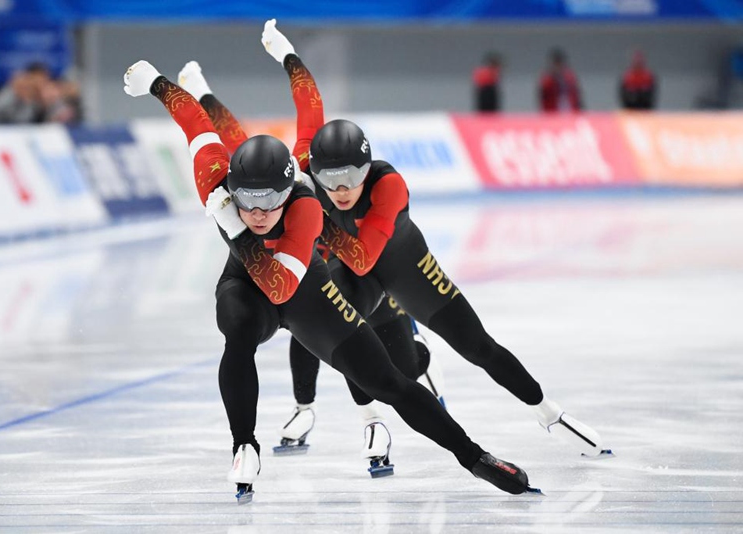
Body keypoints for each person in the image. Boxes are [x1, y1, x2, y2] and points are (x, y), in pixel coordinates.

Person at [122, 58, 538, 502]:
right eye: (248, 201)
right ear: (231, 189)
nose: (259, 213)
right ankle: (244, 444)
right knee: (237, 329)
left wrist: (238, 229)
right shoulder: (213, 179)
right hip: (245, 286)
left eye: (270, 202)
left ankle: (475, 458)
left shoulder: (306, 208)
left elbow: (282, 288)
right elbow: (195, 122)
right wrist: (155, 82)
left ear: (288, 194)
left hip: (301, 288)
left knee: (390, 382)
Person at [258, 21, 608, 459]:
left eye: (352, 178)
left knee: (478, 347)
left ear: (367, 170)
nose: (341, 188)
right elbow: (309, 99)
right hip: (357, 274)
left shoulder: (388, 186)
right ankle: (371, 422)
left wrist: (316, 219)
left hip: (404, 268)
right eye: (330, 179)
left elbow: (366, 257)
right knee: (340, 327)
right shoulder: (309, 165)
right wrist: (288, 55)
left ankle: (547, 411)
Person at [176, 57, 446, 476]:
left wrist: (288, 57)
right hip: (308, 276)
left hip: (356, 273)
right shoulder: (263, 187)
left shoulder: (307, 170)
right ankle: (323, 412)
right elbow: (230, 142)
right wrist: (203, 94)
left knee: (395, 367)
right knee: (304, 334)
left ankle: (413, 363)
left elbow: (309, 109)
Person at [538, 48, 582, 112]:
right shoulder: (547, 80)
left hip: (570, 109)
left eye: (559, 63)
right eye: (556, 64)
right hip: (553, 111)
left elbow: (577, 96)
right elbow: (543, 99)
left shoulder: (570, 77)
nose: (558, 66)